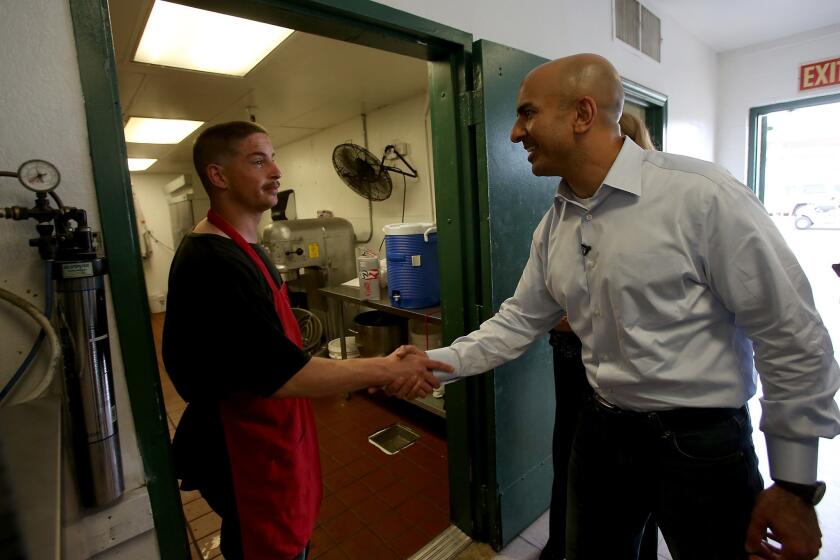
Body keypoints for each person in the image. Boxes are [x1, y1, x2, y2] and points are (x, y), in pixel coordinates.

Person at [428, 54, 840, 559]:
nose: (515, 133)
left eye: (528, 113)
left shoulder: (701, 197)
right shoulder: (556, 223)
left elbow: (790, 334)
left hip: (703, 447)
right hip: (602, 433)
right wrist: (435, 365)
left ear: (582, 114)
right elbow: (518, 319)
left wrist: (795, 486)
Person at [162, 121, 450, 560]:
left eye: (273, 158)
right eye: (258, 160)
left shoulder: (246, 246)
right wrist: (392, 367)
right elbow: (284, 373)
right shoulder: (211, 261)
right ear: (218, 176)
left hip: (274, 432)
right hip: (243, 448)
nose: (276, 171)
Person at [540, 112, 658, 560]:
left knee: (629, 486)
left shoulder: (669, 203)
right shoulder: (563, 214)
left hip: (651, 401)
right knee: (572, 463)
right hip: (575, 362)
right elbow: (535, 307)